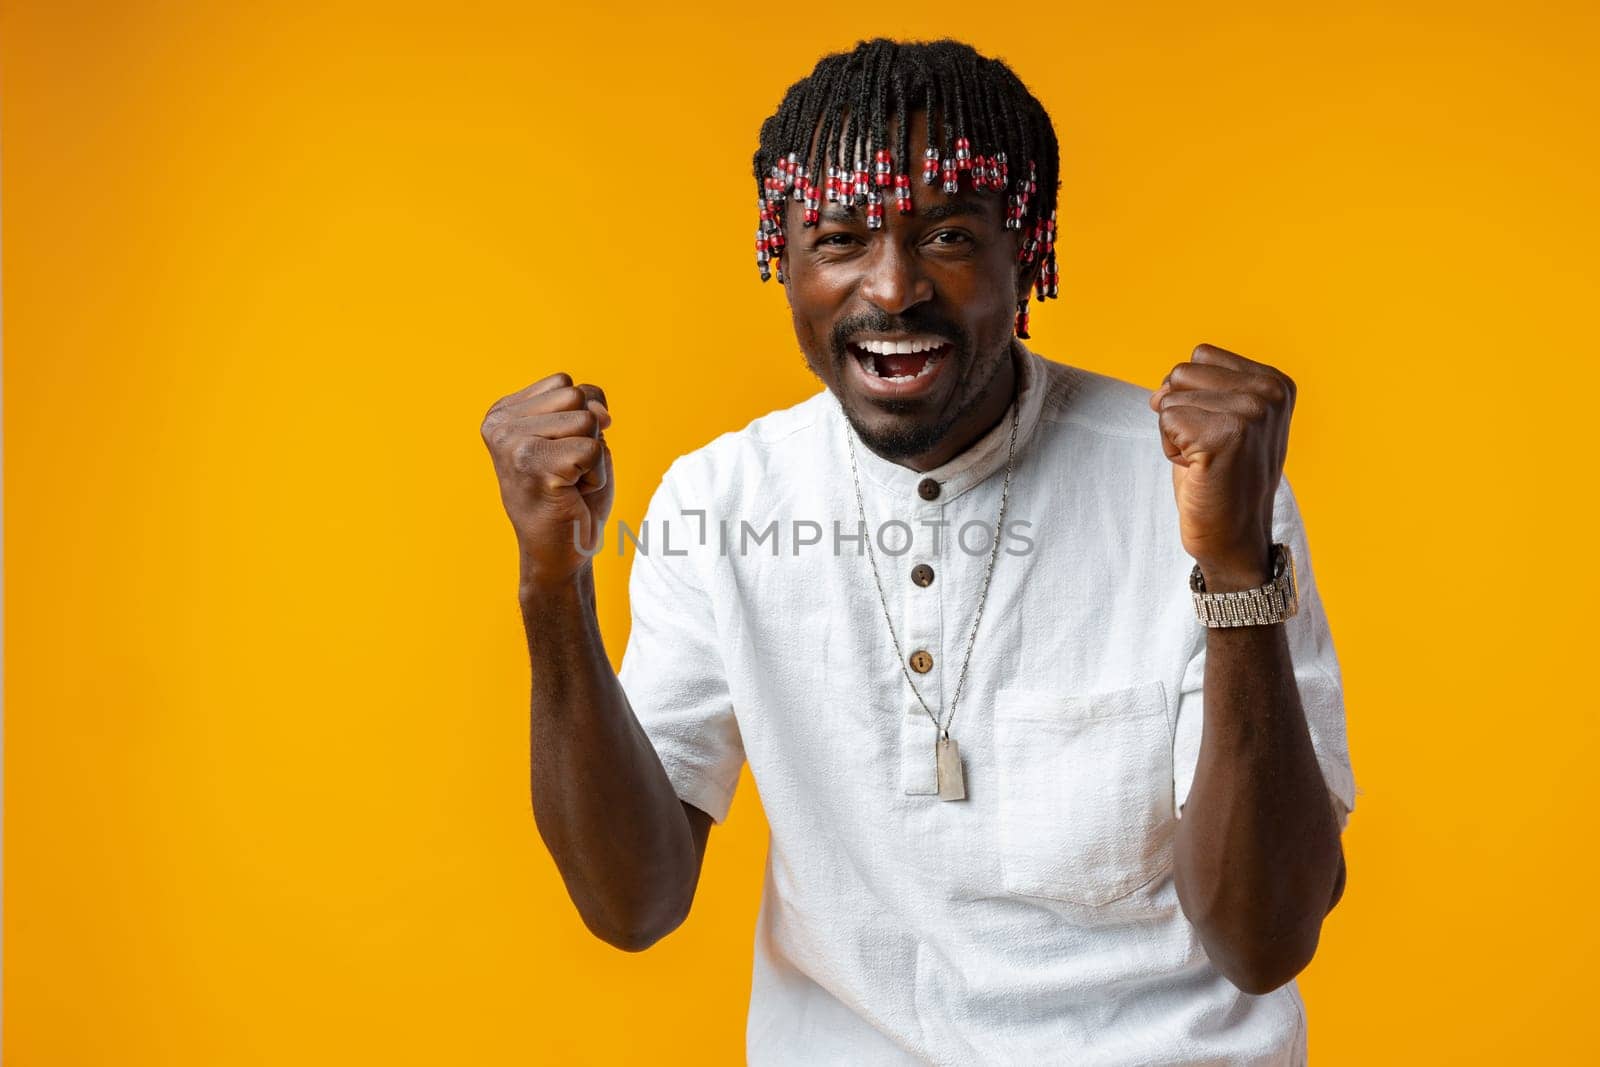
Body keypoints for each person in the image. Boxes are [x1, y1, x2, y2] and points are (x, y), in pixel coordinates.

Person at [481, 37, 1356, 1066]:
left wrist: (1233, 568)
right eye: (841, 237)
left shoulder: (1194, 482)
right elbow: (632, 902)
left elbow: (1263, 940)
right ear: (784, 258)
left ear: (1025, 249)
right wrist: (553, 582)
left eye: (946, 233)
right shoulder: (721, 501)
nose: (892, 288)